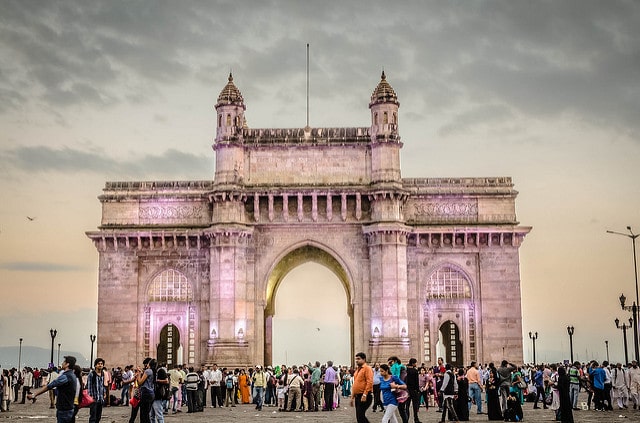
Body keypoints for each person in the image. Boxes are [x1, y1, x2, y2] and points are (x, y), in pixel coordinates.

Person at [27, 355, 78, 423]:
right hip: (69, 408)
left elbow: (49, 386)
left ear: (67, 364)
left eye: (64, 362)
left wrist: (34, 395)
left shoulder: (66, 376)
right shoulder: (72, 375)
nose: (62, 363)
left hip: (64, 410)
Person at [350, 352, 374, 423]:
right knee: (359, 417)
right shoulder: (357, 370)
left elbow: (369, 382)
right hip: (358, 396)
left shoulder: (367, 368)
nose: (357, 360)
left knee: (360, 415)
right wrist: (352, 398)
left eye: (358, 359)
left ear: (364, 359)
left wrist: (365, 394)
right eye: (356, 359)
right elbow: (356, 384)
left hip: (364, 395)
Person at [134, 357, 155, 423]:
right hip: (151, 393)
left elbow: (140, 382)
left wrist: (138, 373)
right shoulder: (153, 371)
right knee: (146, 414)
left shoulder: (148, 371)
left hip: (146, 393)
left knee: (143, 414)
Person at [87, 358, 108, 423]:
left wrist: (104, 392)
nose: (100, 365)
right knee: (93, 417)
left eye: (101, 364)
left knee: (98, 417)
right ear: (95, 365)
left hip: (100, 399)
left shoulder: (103, 374)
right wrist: (91, 397)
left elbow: (102, 385)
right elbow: (89, 387)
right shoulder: (91, 374)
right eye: (98, 364)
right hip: (94, 399)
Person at [404, 358, 421, 423]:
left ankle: (406, 418)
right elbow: (416, 382)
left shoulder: (406, 370)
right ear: (413, 363)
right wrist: (417, 390)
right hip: (414, 390)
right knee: (415, 405)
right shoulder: (415, 371)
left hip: (407, 390)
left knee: (407, 405)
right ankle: (416, 418)